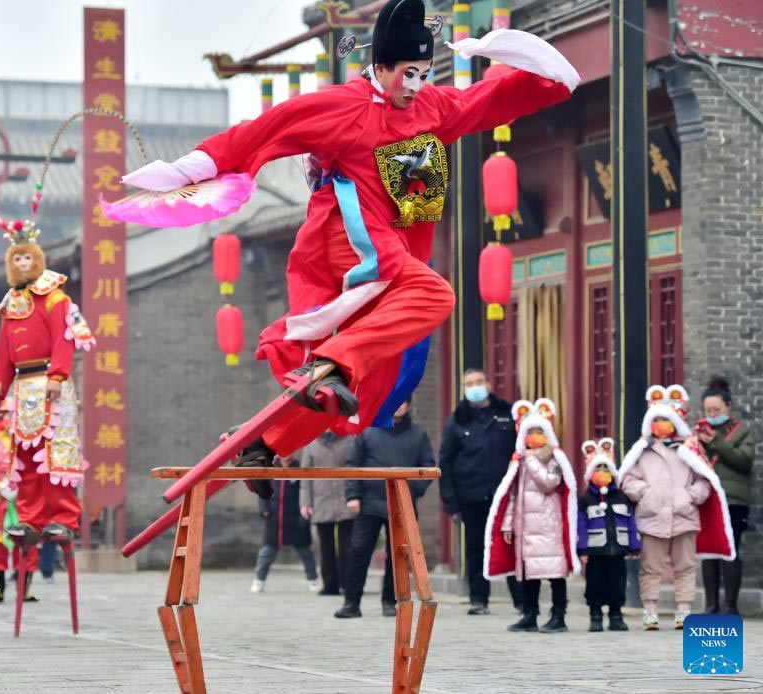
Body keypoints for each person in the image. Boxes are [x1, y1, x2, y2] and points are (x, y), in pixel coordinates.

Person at [120, 0, 580, 472]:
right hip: (348, 238)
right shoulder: (344, 106)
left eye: (424, 73)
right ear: (380, 66)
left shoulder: (432, 106)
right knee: (433, 297)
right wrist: (193, 166)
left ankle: (266, 443)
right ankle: (332, 361)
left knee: (368, 376)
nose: (415, 87)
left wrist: (532, 64)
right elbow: (267, 127)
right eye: (407, 74)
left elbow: (486, 100)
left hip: (392, 249)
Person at [0, 201, 94, 548]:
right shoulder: (10, 306)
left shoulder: (56, 298)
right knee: (27, 458)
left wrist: (58, 377)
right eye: (16, 259)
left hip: (51, 384)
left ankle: (64, 518)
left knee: (56, 453)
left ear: (38, 260)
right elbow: (3, 353)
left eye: (27, 257)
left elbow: (65, 339)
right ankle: (31, 520)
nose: (22, 263)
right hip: (23, 387)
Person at [618, 384, 735, 630]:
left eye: (666, 420)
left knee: (685, 567)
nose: (662, 425)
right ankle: (650, 610)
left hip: (684, 516)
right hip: (652, 517)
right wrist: (645, 494)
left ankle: (684, 610)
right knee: (650, 568)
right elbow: (627, 479)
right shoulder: (643, 451)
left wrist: (690, 496)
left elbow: (704, 480)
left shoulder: (689, 449)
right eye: (658, 420)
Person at [484, 399, 579, 634]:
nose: (534, 436)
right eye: (530, 431)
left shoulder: (554, 458)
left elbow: (550, 483)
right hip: (524, 525)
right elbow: (512, 494)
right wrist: (507, 524)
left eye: (539, 431)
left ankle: (558, 616)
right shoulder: (519, 460)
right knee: (528, 574)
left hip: (549, 524)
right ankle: (530, 614)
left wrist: (532, 461)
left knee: (555, 573)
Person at [334, 398, 435, 619]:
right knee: (359, 551)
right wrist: (353, 495)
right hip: (369, 502)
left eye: (402, 401)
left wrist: (412, 491)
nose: (398, 405)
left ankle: (390, 601)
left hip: (402, 504)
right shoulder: (368, 431)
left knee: (398, 555)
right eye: (393, 401)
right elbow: (353, 464)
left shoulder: (418, 434)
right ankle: (351, 602)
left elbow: (428, 466)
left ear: (409, 404)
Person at [438, 368, 522, 614]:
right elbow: (446, 462)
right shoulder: (457, 419)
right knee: (475, 548)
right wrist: (450, 503)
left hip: (503, 494)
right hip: (471, 495)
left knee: (509, 545)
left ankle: (521, 599)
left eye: (478, 382)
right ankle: (478, 599)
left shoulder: (507, 413)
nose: (474, 387)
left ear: (488, 383)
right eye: (469, 383)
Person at [697, 376, 755, 615]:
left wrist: (717, 443)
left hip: (733, 500)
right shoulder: (700, 431)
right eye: (708, 410)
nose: (712, 414)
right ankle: (711, 605)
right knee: (709, 551)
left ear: (728, 407)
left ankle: (730, 605)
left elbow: (744, 461)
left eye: (717, 409)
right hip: (708, 499)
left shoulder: (742, 431)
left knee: (730, 550)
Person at [0, 408, 40, 603]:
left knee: (28, 544)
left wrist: (24, 487)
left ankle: (24, 590)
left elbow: (35, 468)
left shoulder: (29, 442)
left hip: (23, 500)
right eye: (9, 415)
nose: (12, 419)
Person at [577, 438, 639, 632]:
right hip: (595, 552)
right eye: (598, 469)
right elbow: (581, 524)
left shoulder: (621, 497)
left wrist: (634, 545)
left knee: (617, 583)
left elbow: (631, 521)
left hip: (617, 550)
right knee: (594, 584)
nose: (602, 474)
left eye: (606, 469)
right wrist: (582, 548)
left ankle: (616, 615)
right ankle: (595, 615)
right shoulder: (586, 499)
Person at [250, 453, 319, 593]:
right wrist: (264, 509)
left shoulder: (300, 467)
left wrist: (305, 512)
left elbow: (308, 490)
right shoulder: (270, 466)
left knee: (305, 551)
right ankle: (259, 580)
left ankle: (313, 580)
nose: (286, 455)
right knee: (267, 552)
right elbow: (262, 490)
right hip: (274, 518)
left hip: (297, 517)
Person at [299, 431, 356, 596]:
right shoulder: (311, 443)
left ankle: (348, 583)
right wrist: (305, 502)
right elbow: (304, 476)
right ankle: (330, 585)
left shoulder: (350, 439)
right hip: (321, 500)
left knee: (348, 547)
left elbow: (356, 467)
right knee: (325, 548)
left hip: (346, 499)